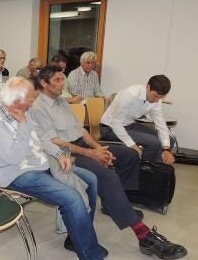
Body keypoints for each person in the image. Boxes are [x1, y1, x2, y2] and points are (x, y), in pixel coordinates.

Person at [32, 66, 187, 260]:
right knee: (109, 176)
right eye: (57, 80)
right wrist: (91, 153)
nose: (62, 84)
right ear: (44, 83)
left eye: (63, 79)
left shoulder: (61, 102)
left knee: (130, 155)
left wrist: (99, 149)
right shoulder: (38, 107)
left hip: (81, 146)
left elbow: (82, 132)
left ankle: (115, 204)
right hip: (64, 155)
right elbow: (56, 143)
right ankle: (144, 235)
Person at [0, 77, 105, 260]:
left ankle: (75, 236)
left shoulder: (23, 108)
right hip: (15, 173)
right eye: (31, 98)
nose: (33, 102)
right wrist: (23, 125)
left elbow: (41, 136)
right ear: (16, 101)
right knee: (72, 197)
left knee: (90, 180)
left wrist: (59, 154)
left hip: (40, 162)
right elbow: (14, 158)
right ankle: (90, 254)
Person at [101, 75, 176, 163]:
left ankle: (155, 170)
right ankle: (144, 171)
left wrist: (166, 149)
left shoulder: (156, 99)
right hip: (109, 128)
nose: (157, 100)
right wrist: (132, 145)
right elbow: (116, 124)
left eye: (160, 97)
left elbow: (161, 124)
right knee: (153, 142)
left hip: (128, 125)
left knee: (169, 140)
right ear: (148, 87)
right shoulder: (130, 94)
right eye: (155, 96)